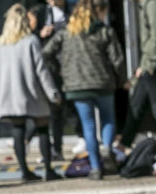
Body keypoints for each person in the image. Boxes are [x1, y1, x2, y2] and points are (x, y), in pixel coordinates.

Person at [42, 0, 124, 180]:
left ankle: (95, 168)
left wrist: (61, 69)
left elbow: (46, 53)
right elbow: (117, 59)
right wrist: (121, 80)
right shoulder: (104, 31)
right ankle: (107, 148)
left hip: (76, 85)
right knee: (108, 118)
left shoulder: (65, 32)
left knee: (88, 126)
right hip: (102, 82)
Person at [0, 3, 61, 182]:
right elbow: (41, 70)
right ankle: (48, 169)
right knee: (43, 128)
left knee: (18, 129)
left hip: (10, 94)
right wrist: (52, 92)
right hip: (31, 92)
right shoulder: (31, 41)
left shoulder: (0, 44)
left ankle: (25, 171)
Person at [115, 0, 156, 172]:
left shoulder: (153, 4)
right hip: (148, 65)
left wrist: (149, 64)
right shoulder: (145, 4)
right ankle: (121, 147)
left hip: (155, 66)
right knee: (136, 106)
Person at [29, 0, 69, 161]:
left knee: (60, 110)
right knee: (51, 109)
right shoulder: (41, 13)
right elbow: (30, 35)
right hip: (50, 68)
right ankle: (46, 147)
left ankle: (57, 148)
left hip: (69, 66)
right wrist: (41, 33)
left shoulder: (72, 11)